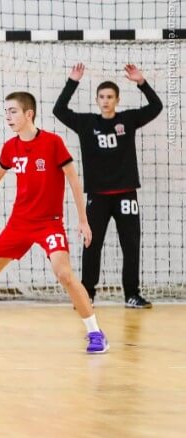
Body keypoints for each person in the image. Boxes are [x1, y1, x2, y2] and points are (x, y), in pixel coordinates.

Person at [0, 92, 110, 354]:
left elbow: (73, 179)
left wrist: (83, 220)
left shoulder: (53, 142)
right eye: (6, 112)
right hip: (19, 223)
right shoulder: (10, 147)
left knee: (64, 274)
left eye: (13, 111)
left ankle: (95, 332)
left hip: (49, 224)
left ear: (29, 114)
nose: (8, 116)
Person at [53, 63, 162, 309]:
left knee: (131, 245)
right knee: (91, 245)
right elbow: (59, 110)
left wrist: (141, 82)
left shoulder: (128, 120)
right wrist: (72, 81)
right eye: (102, 97)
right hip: (97, 196)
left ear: (117, 100)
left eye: (110, 97)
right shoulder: (85, 123)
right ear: (96, 100)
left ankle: (132, 294)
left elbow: (156, 107)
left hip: (126, 194)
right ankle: (87, 294)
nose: (105, 101)